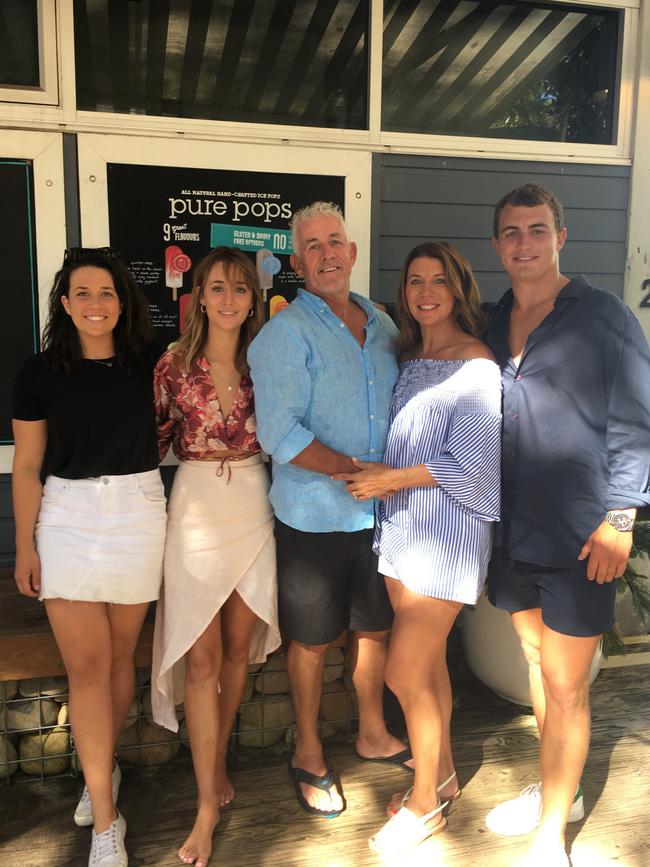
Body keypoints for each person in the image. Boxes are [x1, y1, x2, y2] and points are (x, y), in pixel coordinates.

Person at [484, 183, 650, 866]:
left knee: (566, 684)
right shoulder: (491, 322)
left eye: (537, 229)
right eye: (512, 232)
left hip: (584, 537)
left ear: (561, 236)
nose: (525, 242)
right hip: (511, 535)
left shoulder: (602, 315)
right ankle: (566, 789)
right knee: (535, 664)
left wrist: (621, 519)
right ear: (498, 245)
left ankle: (552, 835)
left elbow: (637, 418)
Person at [333, 242, 501, 856]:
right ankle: (447, 774)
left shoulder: (474, 364)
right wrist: (381, 476)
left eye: (437, 281)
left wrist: (389, 480)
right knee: (426, 669)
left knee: (403, 671)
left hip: (446, 539)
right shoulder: (411, 358)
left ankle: (425, 805)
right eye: (414, 282)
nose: (424, 291)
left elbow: (477, 465)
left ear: (458, 290)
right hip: (403, 533)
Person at [248, 201, 410, 820]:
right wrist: (354, 470)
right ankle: (309, 749)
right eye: (312, 246)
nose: (326, 254)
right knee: (313, 640)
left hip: (380, 517)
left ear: (353, 250)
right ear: (297, 260)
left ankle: (371, 731)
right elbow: (278, 433)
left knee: (373, 628)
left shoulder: (385, 325)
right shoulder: (284, 333)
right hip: (313, 517)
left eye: (334, 241)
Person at [12, 247, 166, 867]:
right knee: (87, 669)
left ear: (122, 301)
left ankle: (98, 772)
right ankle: (107, 820)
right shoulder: (39, 372)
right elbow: (26, 465)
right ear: (64, 302)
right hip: (67, 517)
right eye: (83, 293)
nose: (96, 305)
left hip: (138, 511)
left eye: (107, 292)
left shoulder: (150, 363)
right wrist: (24, 543)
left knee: (117, 664)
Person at [151, 246, 281, 867]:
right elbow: (147, 448)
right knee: (201, 662)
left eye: (240, 289)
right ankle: (206, 803)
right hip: (196, 510)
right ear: (198, 296)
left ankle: (218, 753)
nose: (229, 299)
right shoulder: (171, 366)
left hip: (254, 504)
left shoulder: (270, 361)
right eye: (217, 288)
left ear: (254, 297)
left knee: (236, 651)